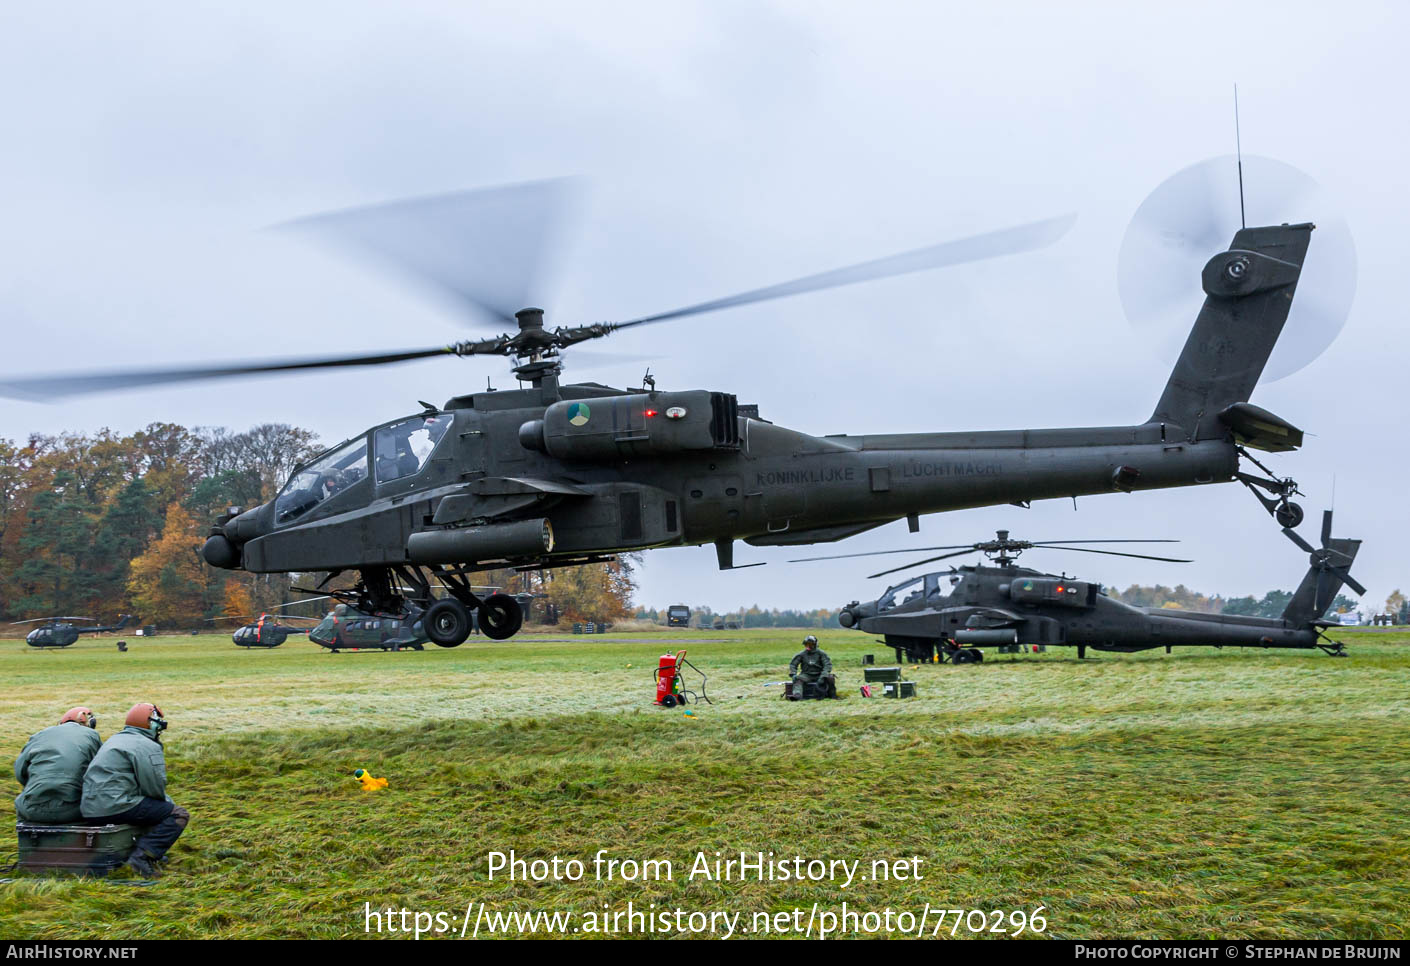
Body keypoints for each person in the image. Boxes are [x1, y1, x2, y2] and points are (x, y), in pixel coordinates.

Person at [81, 702, 189, 877]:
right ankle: (141, 858)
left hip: (90, 808)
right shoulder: (146, 745)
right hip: (116, 805)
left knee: (153, 808)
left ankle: (148, 852)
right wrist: (166, 803)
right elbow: (154, 786)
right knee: (178, 814)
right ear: (149, 722)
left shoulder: (115, 739)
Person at [13, 707, 102, 824]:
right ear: (90, 722)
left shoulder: (39, 735)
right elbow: (100, 773)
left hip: (33, 809)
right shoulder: (92, 735)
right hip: (75, 810)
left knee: (22, 807)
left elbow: (20, 773)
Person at [789, 635, 836, 700]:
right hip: (806, 675)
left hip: (819, 674)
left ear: (815, 645)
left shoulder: (821, 654)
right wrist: (793, 674)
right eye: (806, 645)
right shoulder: (801, 654)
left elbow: (827, 665)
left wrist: (823, 676)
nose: (808, 646)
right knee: (798, 679)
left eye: (810, 645)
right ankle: (797, 695)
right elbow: (793, 664)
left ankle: (833, 696)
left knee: (830, 678)